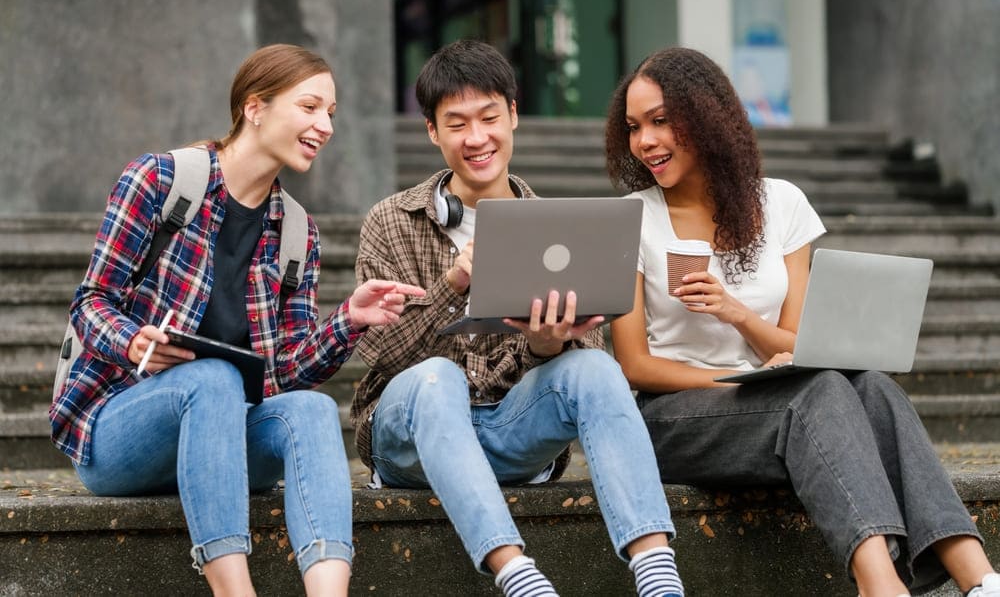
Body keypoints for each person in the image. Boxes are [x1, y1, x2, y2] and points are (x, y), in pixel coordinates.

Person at [605, 46, 1000, 597]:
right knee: (817, 394)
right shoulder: (630, 219)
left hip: (776, 398)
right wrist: (740, 382)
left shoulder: (782, 204)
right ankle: (881, 587)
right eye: (634, 126)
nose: (645, 140)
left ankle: (979, 580)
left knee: (874, 388)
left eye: (661, 121)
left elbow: (797, 343)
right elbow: (634, 365)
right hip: (675, 420)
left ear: (706, 117)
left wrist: (736, 313)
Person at [49, 43, 425, 596]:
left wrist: (349, 319)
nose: (324, 125)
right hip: (116, 433)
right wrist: (134, 343)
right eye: (310, 107)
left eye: (331, 114)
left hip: (223, 437)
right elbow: (91, 302)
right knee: (213, 376)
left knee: (313, 410)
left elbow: (284, 373)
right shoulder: (158, 181)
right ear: (255, 107)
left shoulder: (297, 233)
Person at [348, 39, 684, 597]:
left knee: (599, 372)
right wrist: (453, 287)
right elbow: (381, 358)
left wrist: (546, 348)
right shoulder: (389, 222)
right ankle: (515, 574)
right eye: (456, 124)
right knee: (440, 377)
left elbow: (583, 373)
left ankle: (656, 573)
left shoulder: (557, 228)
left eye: (489, 117)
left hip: (510, 433)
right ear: (432, 131)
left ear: (514, 116)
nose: (477, 138)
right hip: (410, 440)